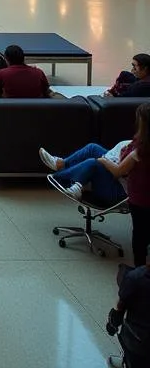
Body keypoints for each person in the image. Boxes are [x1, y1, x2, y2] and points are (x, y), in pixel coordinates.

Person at [42, 103, 150, 266]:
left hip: (120, 192)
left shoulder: (139, 152)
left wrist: (105, 161)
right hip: (125, 181)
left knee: (95, 162)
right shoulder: (141, 147)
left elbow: (118, 172)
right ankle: (61, 165)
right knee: (93, 148)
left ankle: (64, 178)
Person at [107, 262, 150, 368]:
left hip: (139, 341)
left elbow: (119, 309)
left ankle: (126, 362)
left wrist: (112, 325)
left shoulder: (135, 278)